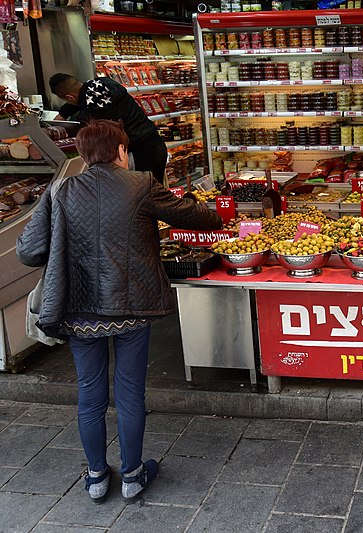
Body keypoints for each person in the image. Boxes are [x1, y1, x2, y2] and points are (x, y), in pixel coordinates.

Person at [16, 120, 223, 504]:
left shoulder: (60, 189)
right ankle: (131, 475)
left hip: (78, 309)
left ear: (81, 154)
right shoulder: (141, 184)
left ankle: (96, 477)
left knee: (90, 395)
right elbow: (196, 218)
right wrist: (214, 213)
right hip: (132, 307)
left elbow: (28, 251)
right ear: (122, 151)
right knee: (130, 393)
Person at [49, 73, 169, 185]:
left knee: (142, 197)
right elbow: (78, 102)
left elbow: (83, 125)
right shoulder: (102, 83)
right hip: (154, 144)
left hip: (139, 154)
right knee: (153, 194)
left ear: (70, 97)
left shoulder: (93, 111)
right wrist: (61, 115)